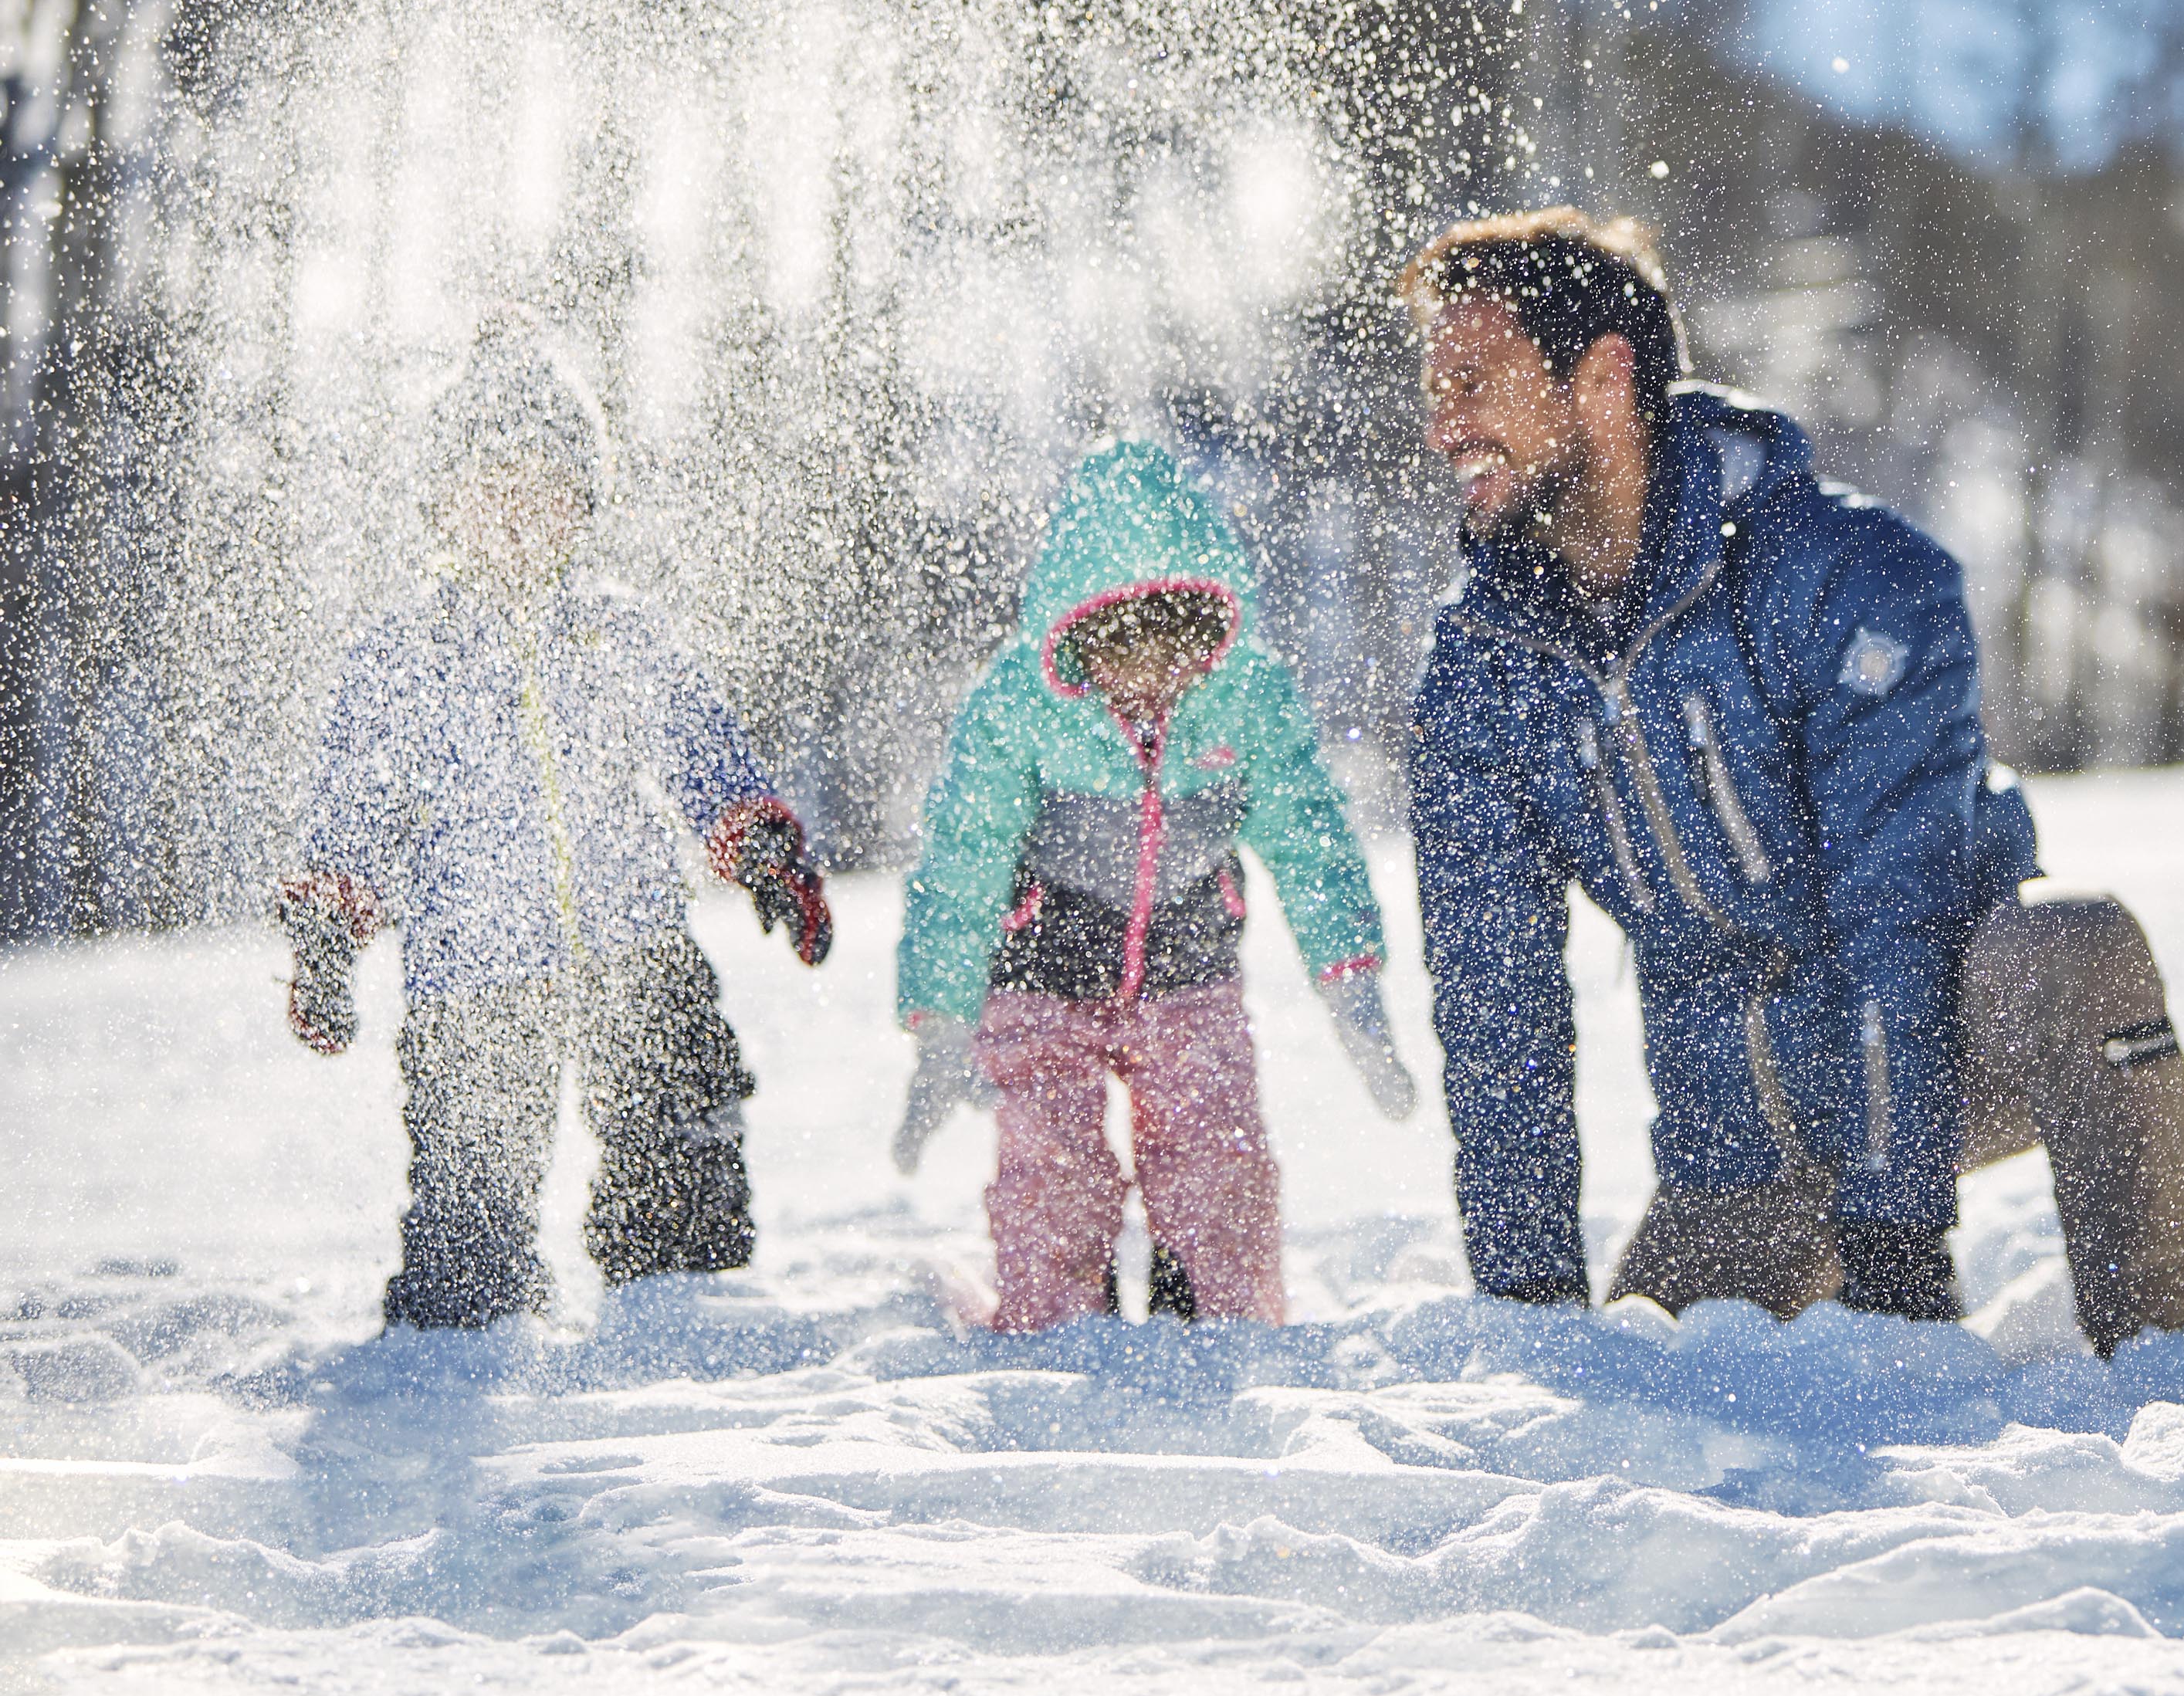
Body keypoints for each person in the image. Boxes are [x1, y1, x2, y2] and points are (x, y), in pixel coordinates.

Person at [1400, 208, 2044, 1323]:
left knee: (2084, 958)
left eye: (1474, 379)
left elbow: (1897, 911)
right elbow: (1494, 999)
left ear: (1600, 377)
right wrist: (1531, 1292)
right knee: (1658, 1403)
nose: (1441, 420)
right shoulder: (1480, 665)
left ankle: (2174, 1381)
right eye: (1434, 384)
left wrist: (1895, 1234)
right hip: (1735, 1154)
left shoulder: (1851, 579)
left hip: (1952, 1060)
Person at [279, 324, 834, 1331]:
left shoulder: (619, 633)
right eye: (490, 484)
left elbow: (699, 751)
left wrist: (757, 842)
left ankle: (681, 1303)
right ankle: (467, 1303)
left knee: (680, 1128)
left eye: (544, 485)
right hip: (477, 972)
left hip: (634, 945)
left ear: (584, 504)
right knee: (472, 1192)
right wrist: (327, 931)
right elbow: (353, 810)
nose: (517, 510)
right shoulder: (403, 658)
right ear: (440, 507)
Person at [890, 438, 1410, 1330]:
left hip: (1189, 968)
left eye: (1174, 644)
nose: (1151, 675)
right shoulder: (1019, 706)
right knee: (1052, 1169)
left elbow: (1308, 833)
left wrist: (1350, 985)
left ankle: (1220, 1311)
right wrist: (941, 1021)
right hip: (1042, 976)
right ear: (1077, 635)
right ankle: (1056, 1322)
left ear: (1210, 628)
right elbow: (962, 859)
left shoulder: (1245, 697)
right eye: (1123, 649)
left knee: (1218, 1156)